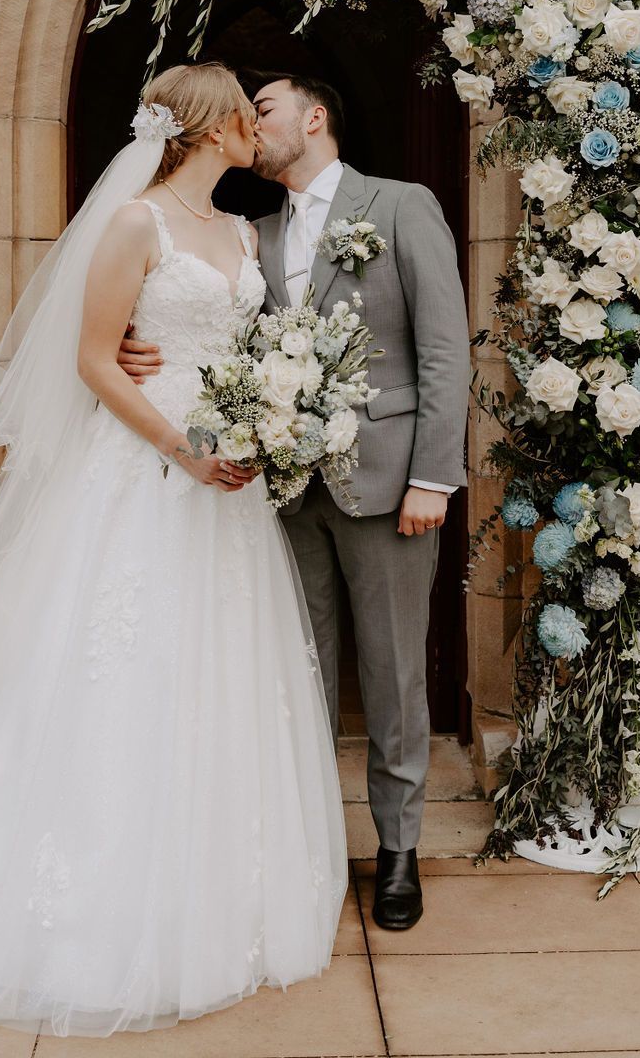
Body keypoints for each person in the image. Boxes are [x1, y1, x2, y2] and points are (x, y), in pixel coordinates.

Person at [0, 62, 346, 1037]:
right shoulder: (137, 223)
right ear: (207, 127)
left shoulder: (237, 230)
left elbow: (246, 349)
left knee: (215, 673)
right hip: (145, 473)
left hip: (226, 487)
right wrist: (184, 444)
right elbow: (94, 359)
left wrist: (264, 419)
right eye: (239, 112)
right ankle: (91, 900)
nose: (253, 125)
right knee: (116, 669)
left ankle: (215, 889)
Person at [120, 71, 470, 931]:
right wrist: (137, 347)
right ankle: (308, 844)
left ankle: (397, 853)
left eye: (262, 110)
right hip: (280, 493)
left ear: (314, 117)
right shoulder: (252, 233)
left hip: (390, 485)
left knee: (393, 676)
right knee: (295, 675)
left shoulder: (401, 205)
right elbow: (212, 337)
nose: (250, 123)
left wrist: (435, 477)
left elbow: (444, 349)